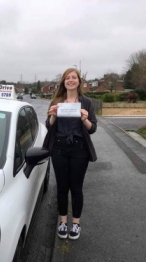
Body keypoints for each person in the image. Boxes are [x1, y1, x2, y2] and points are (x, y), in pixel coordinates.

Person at [43, 67, 97, 240]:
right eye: (67, 78)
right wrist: (52, 116)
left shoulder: (86, 102)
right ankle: (63, 222)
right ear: (63, 82)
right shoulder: (57, 101)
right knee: (61, 187)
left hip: (79, 148)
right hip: (59, 148)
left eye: (74, 77)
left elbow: (93, 128)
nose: (71, 80)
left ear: (79, 81)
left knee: (76, 188)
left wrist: (85, 119)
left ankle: (76, 224)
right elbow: (49, 126)